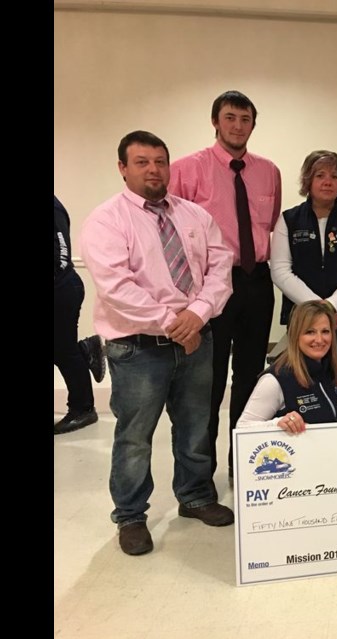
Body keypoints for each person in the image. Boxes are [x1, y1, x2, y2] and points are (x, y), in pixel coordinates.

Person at [81, 130, 235, 556]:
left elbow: (220, 266)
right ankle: (130, 516)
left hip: (195, 341)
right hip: (138, 348)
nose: (153, 169)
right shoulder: (108, 220)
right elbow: (116, 287)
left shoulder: (193, 216)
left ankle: (195, 496)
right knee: (135, 436)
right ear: (123, 169)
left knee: (195, 425)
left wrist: (197, 315)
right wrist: (174, 321)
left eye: (160, 161)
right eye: (142, 162)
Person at [168, 90, 282, 479]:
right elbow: (171, 232)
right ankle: (201, 474)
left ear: (253, 124)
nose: (238, 126)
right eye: (230, 117)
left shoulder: (269, 171)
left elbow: (268, 225)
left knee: (251, 376)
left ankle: (243, 464)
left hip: (257, 282)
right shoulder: (186, 169)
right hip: (210, 286)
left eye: (245, 119)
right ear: (215, 121)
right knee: (208, 379)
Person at [271, 150, 337, 369]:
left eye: (334, 176)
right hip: (302, 317)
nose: (328, 182)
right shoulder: (289, 220)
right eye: (320, 175)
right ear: (308, 180)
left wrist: (333, 305)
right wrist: (319, 308)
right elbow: (280, 270)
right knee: (304, 379)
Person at [237, 301, 337, 433]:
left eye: (325, 331)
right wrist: (278, 423)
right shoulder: (276, 379)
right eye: (310, 332)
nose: (319, 339)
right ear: (296, 335)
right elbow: (243, 427)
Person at [54, 195, 105, 435]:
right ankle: (86, 351)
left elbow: (61, 255)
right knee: (63, 350)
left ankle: (83, 409)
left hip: (61, 289)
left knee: (63, 351)